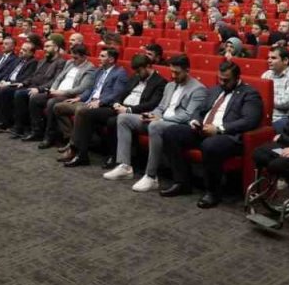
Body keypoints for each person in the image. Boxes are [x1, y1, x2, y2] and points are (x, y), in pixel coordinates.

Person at [160, 60, 264, 208]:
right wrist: (195, 120)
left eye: (226, 80)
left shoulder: (250, 94)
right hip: (204, 130)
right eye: (220, 78)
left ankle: (213, 192)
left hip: (227, 136)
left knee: (210, 145)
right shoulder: (215, 90)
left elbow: (249, 121)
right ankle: (182, 182)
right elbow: (200, 110)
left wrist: (220, 129)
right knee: (171, 133)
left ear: (237, 77)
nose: (222, 82)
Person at [104, 54, 209, 191]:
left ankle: (151, 176)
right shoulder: (170, 85)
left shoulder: (198, 89)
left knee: (155, 125)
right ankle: (125, 166)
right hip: (160, 119)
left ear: (187, 70)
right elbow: (161, 107)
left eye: (177, 73)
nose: (173, 75)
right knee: (123, 118)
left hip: (176, 125)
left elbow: (188, 115)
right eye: (171, 71)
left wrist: (161, 119)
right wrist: (151, 114)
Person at [60, 54, 165, 167]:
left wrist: (128, 109)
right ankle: (81, 154)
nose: (137, 74)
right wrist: (117, 103)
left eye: (139, 70)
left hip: (134, 112)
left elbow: (152, 104)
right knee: (85, 113)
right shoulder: (136, 77)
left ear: (148, 66)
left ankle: (114, 156)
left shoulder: (160, 82)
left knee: (112, 121)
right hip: (120, 108)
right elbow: (123, 92)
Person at [45, 48, 129, 150]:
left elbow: (117, 94)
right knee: (58, 107)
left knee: (80, 110)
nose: (99, 58)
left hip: (102, 105)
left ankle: (73, 146)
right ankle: (72, 138)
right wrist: (79, 98)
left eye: (102, 56)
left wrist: (100, 102)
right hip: (88, 101)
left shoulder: (120, 73)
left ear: (111, 60)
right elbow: (90, 89)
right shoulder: (99, 71)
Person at [26, 44, 97, 144]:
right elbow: (59, 78)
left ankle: (49, 136)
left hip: (69, 95)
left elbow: (82, 88)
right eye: (72, 56)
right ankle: (36, 131)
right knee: (35, 98)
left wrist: (62, 92)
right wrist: (53, 89)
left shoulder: (90, 68)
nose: (73, 59)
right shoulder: (70, 63)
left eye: (76, 57)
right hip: (56, 91)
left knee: (51, 103)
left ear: (84, 56)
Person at [263, 46, 289, 133]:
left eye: (273, 58)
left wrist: (265, 99)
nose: (269, 60)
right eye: (268, 58)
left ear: (285, 60)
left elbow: (284, 103)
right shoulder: (267, 74)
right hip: (264, 114)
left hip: (283, 118)